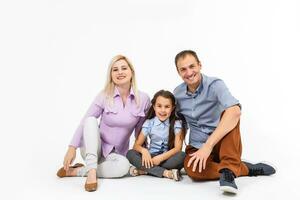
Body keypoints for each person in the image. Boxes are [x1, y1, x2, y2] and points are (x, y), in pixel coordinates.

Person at [173, 50, 275, 194]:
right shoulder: (177, 94)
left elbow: (235, 111)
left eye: (192, 66)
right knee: (192, 170)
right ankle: (240, 168)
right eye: (183, 69)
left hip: (222, 142)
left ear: (200, 65)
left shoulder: (215, 85)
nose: (189, 72)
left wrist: (208, 146)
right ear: (178, 72)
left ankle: (228, 171)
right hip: (197, 145)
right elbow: (179, 122)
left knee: (231, 112)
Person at [56, 55, 150, 192]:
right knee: (90, 120)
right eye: (115, 70)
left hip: (117, 154)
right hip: (93, 148)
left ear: (132, 72)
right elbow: (85, 122)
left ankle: (78, 171)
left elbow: (141, 130)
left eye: (124, 68)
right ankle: (92, 172)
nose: (120, 72)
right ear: (111, 75)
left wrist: (143, 152)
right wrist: (72, 148)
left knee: (123, 167)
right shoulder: (104, 95)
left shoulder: (143, 99)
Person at [126, 90, 187, 181]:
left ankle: (144, 171)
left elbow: (178, 148)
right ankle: (166, 173)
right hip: (150, 157)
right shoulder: (149, 123)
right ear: (154, 107)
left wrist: (161, 158)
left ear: (173, 108)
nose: (163, 110)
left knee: (182, 156)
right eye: (159, 106)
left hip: (166, 158)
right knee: (130, 153)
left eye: (167, 107)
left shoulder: (176, 124)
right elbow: (136, 145)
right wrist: (144, 151)